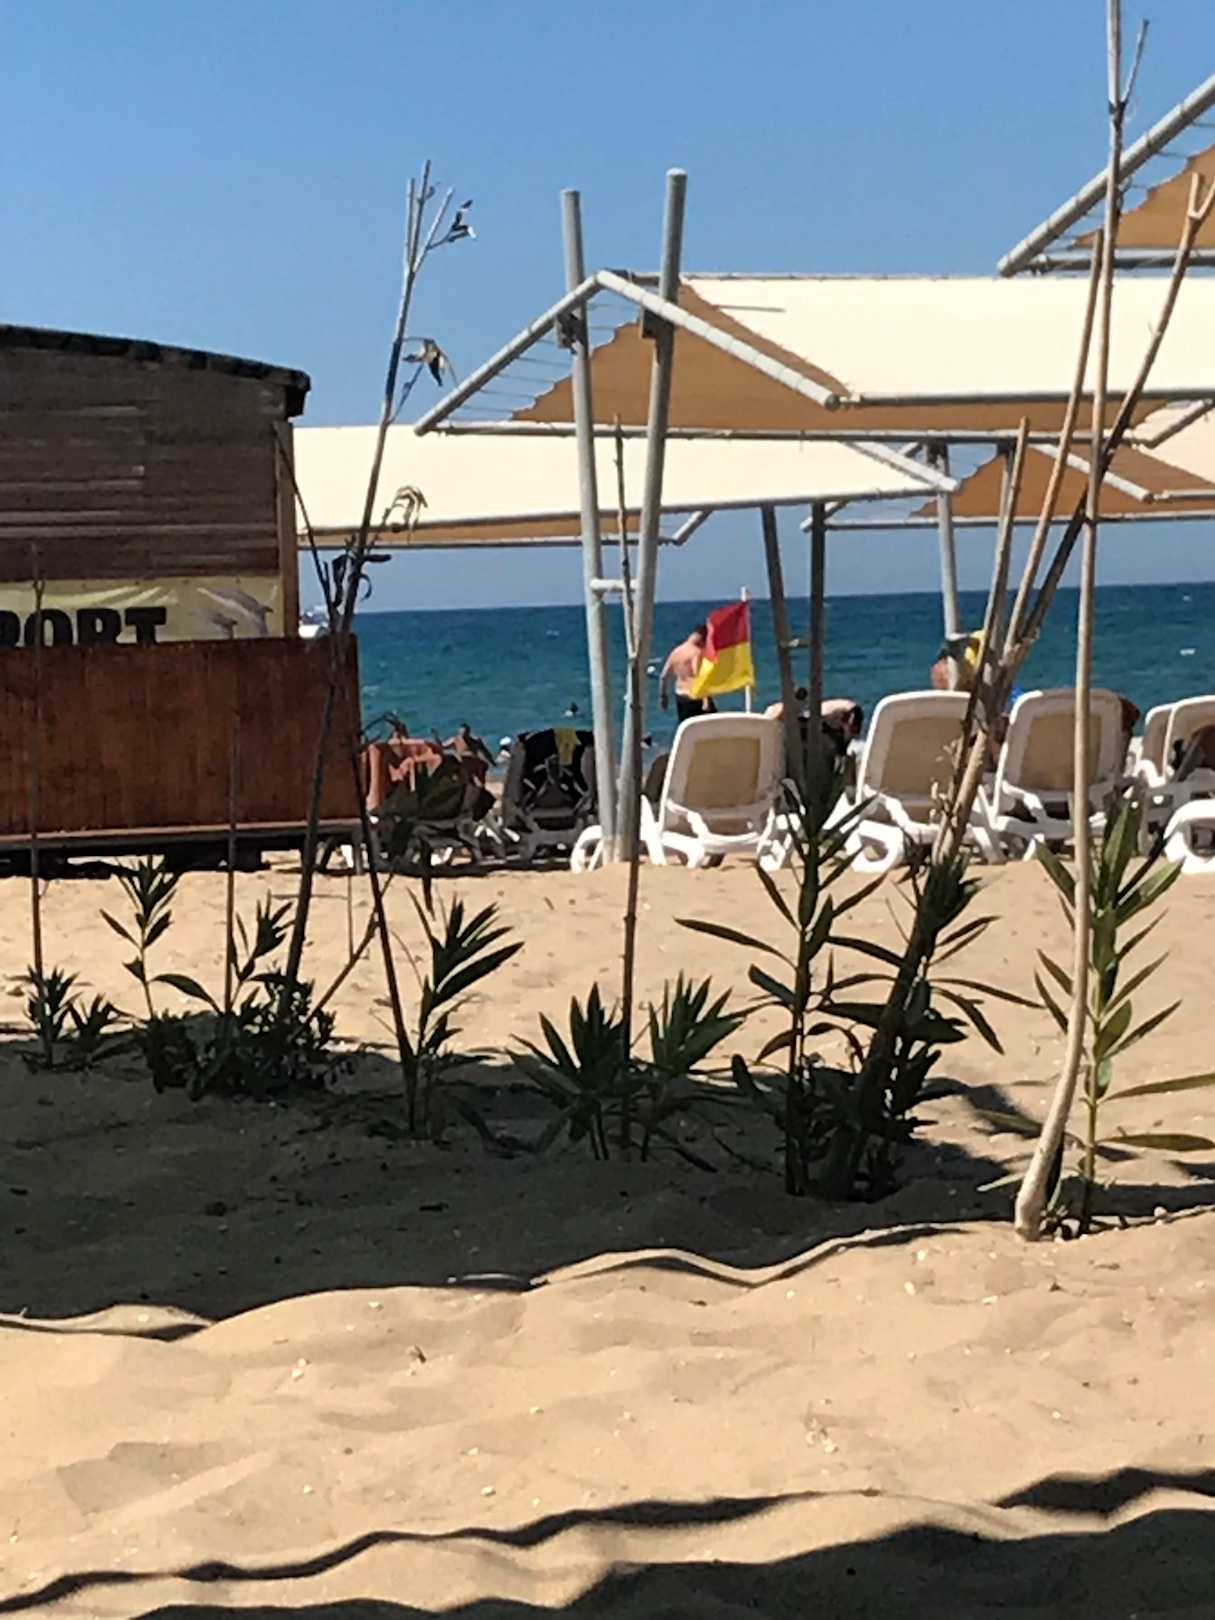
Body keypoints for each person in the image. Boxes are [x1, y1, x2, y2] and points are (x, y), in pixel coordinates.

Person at [659, 623, 716, 723]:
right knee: (711, 725)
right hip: (695, 696)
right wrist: (706, 700)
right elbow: (698, 676)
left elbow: (663, 676)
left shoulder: (676, 651)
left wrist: (663, 696)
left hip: (680, 696)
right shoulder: (696, 652)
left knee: (686, 724)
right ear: (702, 639)